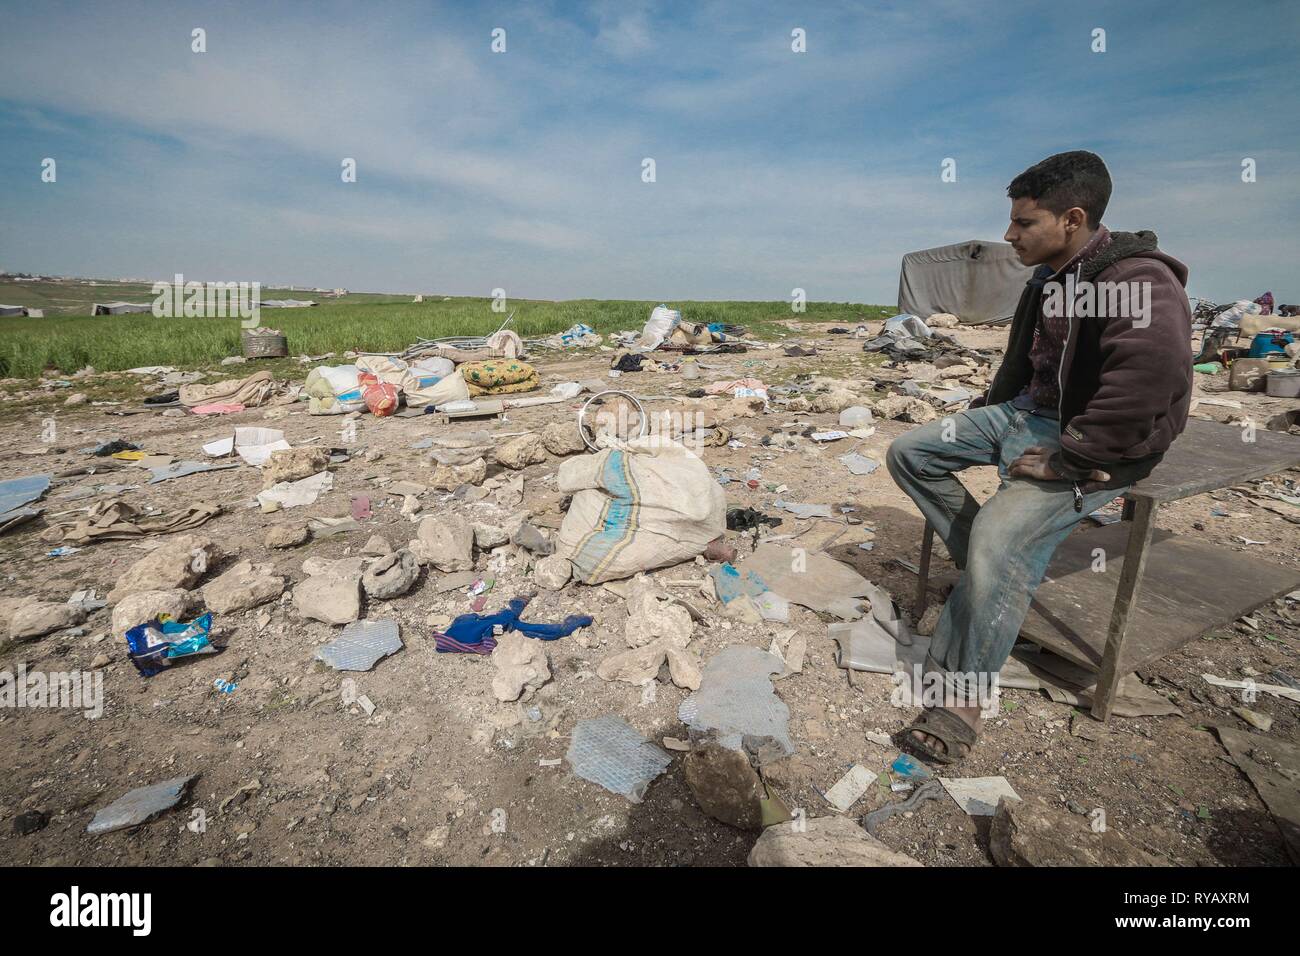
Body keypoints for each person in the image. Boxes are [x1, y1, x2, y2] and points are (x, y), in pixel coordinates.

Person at [885, 150, 1193, 763]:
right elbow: (1024, 362)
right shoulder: (1047, 278)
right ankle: (992, 571)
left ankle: (963, 699)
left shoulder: (1133, 281)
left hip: (1091, 441)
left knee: (1001, 535)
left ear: (1072, 218)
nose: (1008, 234)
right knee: (910, 452)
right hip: (1026, 412)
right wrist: (990, 410)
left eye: (1024, 223)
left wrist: (1071, 460)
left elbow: (1149, 379)